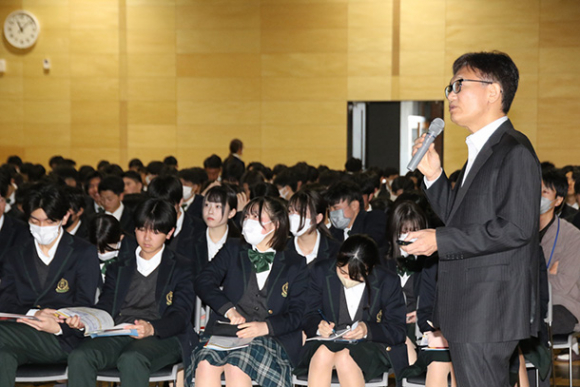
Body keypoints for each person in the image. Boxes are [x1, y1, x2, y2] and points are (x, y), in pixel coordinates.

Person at [403, 51, 541, 387]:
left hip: (489, 307)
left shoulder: (514, 151)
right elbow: (461, 221)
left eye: (459, 85)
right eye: (450, 87)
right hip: (471, 305)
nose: (451, 95)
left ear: (493, 91)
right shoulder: (481, 153)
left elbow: (516, 228)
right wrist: (435, 177)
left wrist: (439, 240)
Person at [66, 198, 197, 387]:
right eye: (142, 229)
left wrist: (152, 328)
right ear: (134, 229)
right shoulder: (118, 267)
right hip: (119, 330)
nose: (147, 237)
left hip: (163, 335)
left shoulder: (182, 267)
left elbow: (181, 314)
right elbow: (105, 306)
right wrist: (86, 321)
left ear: (170, 233)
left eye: (156, 231)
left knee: (132, 358)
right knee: (80, 356)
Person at [188, 196, 308, 387]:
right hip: (227, 332)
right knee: (204, 364)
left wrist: (265, 327)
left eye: (256, 216)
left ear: (275, 224)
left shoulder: (295, 263)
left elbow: (298, 313)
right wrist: (228, 309)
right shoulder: (233, 249)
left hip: (269, 337)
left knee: (236, 366)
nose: (248, 221)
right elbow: (203, 281)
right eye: (247, 216)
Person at [0, 182, 101, 387]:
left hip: (64, 339)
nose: (41, 228)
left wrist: (58, 326)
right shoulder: (15, 254)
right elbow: (5, 301)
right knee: (2, 357)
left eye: (48, 221)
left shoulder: (83, 253)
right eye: (35, 221)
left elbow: (85, 305)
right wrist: (32, 313)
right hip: (19, 334)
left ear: (64, 217)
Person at [295, 234, 407, 385]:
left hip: (369, 346)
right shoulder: (321, 272)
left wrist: (367, 329)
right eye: (342, 272)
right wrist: (318, 326)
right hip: (327, 342)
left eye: (355, 276)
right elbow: (308, 314)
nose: (347, 279)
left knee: (345, 358)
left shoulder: (387, 281)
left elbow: (398, 330)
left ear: (369, 269)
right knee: (321, 353)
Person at [539, 169, 580, 335]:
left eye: (544, 192)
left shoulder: (572, 236)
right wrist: (549, 273)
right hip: (525, 304)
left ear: (558, 200)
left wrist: (532, 279)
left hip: (562, 304)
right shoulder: (520, 232)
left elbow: (563, 284)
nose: (537, 196)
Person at [286, 188, 339, 266]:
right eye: (290, 211)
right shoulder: (281, 250)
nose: (293, 216)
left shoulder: (335, 251)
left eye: (301, 212)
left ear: (318, 218)